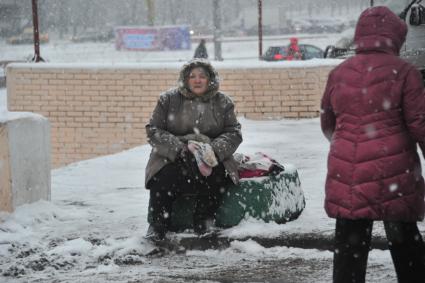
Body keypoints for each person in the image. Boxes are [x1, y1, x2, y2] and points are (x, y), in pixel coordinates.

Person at [320, 6, 425, 283]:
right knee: (406, 243)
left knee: (350, 246)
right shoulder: (405, 72)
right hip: (395, 168)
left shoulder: (340, 72)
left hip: (349, 171)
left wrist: (346, 145)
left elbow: (327, 122)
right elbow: (419, 124)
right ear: (396, 37)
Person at [144, 58, 242, 242]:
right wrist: (179, 149)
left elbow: (233, 132)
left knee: (216, 175)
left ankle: (204, 221)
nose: (197, 80)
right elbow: (154, 130)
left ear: (210, 79)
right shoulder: (168, 100)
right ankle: (158, 225)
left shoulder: (223, 102)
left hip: (209, 155)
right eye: (192, 76)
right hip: (172, 154)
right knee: (163, 177)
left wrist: (212, 150)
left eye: (202, 76)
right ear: (185, 79)